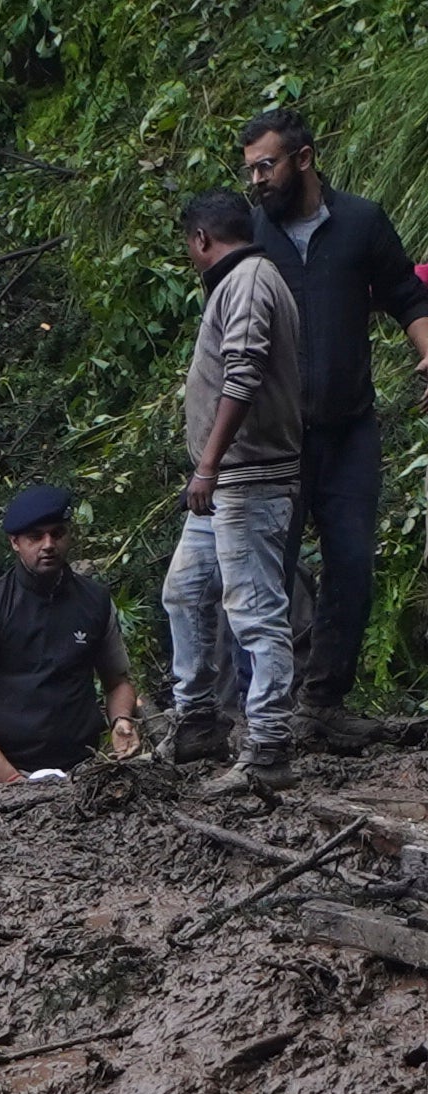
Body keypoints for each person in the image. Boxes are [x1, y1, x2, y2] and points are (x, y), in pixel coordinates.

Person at [240, 107, 428, 751]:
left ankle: (323, 705)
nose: (259, 180)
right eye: (251, 170)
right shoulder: (251, 237)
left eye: (267, 165)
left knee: (351, 564)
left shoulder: (360, 223)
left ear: (304, 158)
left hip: (349, 429)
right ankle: (261, 715)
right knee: (269, 573)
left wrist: (426, 348)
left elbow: (407, 293)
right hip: (278, 438)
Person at [166, 189, 306, 788]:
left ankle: (269, 748)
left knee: (254, 611)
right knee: (186, 590)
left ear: (201, 239)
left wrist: (209, 465)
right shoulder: (245, 279)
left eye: (189, 247)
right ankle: (197, 722)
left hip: (246, 477)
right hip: (226, 482)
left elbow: (243, 370)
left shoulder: (247, 278)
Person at [0, 489, 142, 787]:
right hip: (7, 775)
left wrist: (121, 721)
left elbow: (118, 681)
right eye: (35, 537)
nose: (48, 545)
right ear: (15, 542)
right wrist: (11, 780)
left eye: (57, 533)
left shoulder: (95, 601)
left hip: (84, 771)